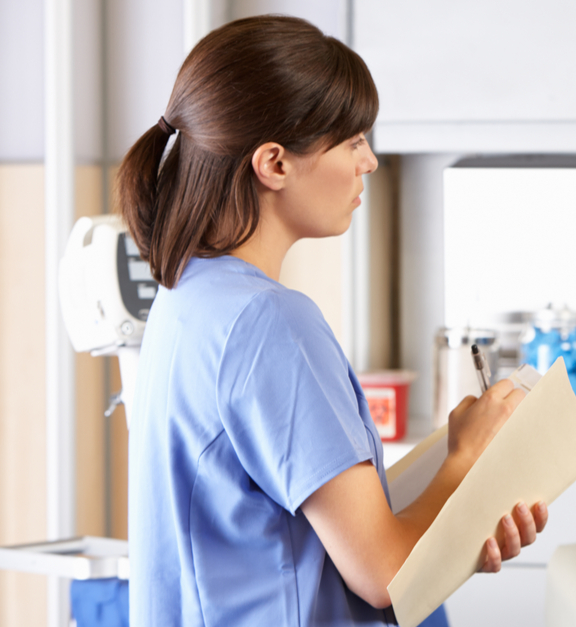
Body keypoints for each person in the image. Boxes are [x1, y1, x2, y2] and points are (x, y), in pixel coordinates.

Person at [117, 16, 547, 626]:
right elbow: (385, 575)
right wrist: (466, 460)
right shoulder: (270, 322)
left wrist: (453, 515)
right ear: (274, 164)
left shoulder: (185, 299)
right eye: (351, 142)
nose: (368, 162)